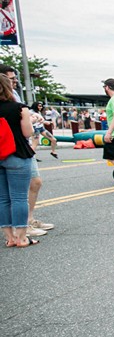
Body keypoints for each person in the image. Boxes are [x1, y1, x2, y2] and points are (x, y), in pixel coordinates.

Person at [3, 66, 51, 235]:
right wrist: (29, 118)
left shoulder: (14, 95)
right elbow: (25, 129)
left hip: (16, 147)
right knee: (17, 195)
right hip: (16, 149)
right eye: (11, 78)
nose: (14, 80)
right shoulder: (11, 101)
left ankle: (24, 223)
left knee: (31, 185)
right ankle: (22, 229)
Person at [0, 72, 37, 247]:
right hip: (17, 153)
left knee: (2, 199)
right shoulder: (19, 108)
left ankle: (9, 238)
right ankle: (22, 237)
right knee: (19, 198)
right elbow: (27, 133)